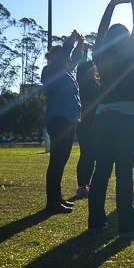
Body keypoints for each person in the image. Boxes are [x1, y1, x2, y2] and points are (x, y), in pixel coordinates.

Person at [87, 0, 134, 239]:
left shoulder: (100, 55)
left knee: (101, 170)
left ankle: (95, 221)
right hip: (126, 120)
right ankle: (127, 225)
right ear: (125, 39)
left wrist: (112, 5)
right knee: (124, 171)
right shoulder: (128, 53)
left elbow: (101, 30)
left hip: (103, 118)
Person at [42, 30, 84, 214]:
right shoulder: (52, 70)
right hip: (58, 119)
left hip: (68, 119)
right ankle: (52, 201)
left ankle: (57, 198)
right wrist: (71, 40)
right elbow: (66, 55)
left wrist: (80, 46)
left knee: (61, 160)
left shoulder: (66, 72)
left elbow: (73, 59)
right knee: (57, 160)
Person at [74, 56, 101, 198]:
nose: (94, 69)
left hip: (95, 123)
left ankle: (86, 184)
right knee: (86, 154)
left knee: (92, 155)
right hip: (85, 123)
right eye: (92, 68)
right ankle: (82, 185)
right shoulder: (82, 85)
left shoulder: (96, 83)